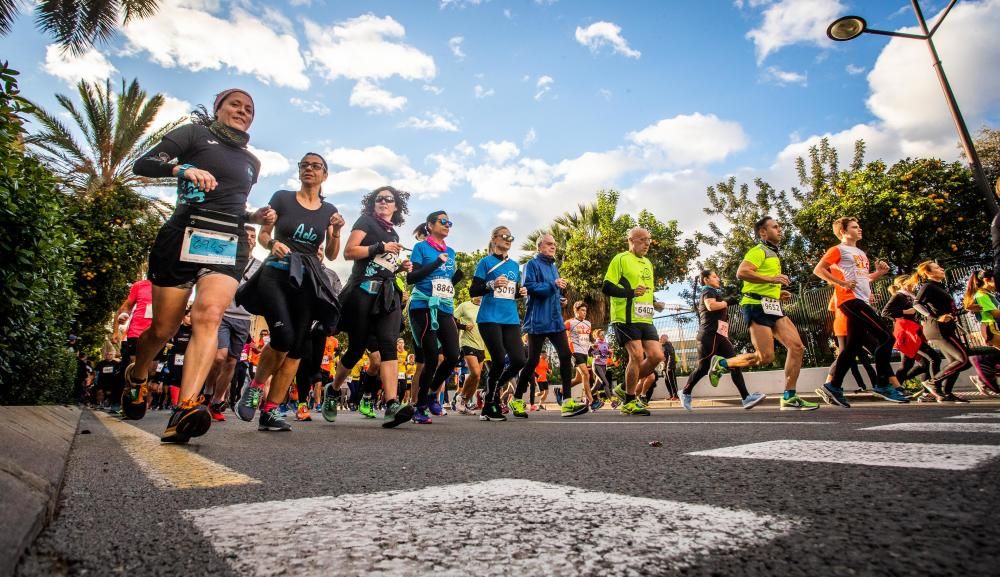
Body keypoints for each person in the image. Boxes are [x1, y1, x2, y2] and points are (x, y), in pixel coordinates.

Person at [130, 88, 275, 443]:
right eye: (235, 104)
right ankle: (137, 375)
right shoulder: (194, 135)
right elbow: (143, 165)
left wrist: (255, 215)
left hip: (226, 241)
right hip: (183, 233)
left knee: (209, 314)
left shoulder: (251, 162)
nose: (243, 111)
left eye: (249, 108)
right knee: (162, 329)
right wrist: (185, 168)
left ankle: (186, 408)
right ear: (218, 109)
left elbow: (234, 204)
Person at [234, 153, 343, 431]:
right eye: (304, 165)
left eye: (315, 166)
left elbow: (330, 254)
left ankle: (270, 411)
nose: (309, 169)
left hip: (307, 281)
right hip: (276, 273)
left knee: (296, 349)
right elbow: (263, 235)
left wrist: (337, 232)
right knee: (282, 337)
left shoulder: (328, 209)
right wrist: (272, 245)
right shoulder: (282, 198)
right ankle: (256, 387)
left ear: (325, 175)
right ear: (299, 171)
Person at [322, 186, 415, 427]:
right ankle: (332, 392)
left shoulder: (393, 233)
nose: (383, 202)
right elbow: (349, 252)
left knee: (388, 344)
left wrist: (400, 267)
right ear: (373, 204)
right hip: (362, 293)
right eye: (379, 199)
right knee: (355, 350)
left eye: (389, 199)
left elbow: (384, 265)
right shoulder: (366, 221)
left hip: (386, 295)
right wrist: (380, 248)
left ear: (396, 206)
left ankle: (393, 404)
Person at [709, 216, 818, 411]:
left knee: (798, 347)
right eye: (775, 227)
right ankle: (723, 363)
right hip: (755, 306)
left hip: (773, 306)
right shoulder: (758, 251)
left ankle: (789, 397)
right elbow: (742, 273)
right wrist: (773, 279)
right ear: (763, 232)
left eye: (780, 227)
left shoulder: (773, 254)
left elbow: (764, 281)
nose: (780, 230)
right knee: (765, 357)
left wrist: (777, 291)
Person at [812, 217, 904, 408]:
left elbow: (863, 278)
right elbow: (818, 270)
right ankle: (882, 384)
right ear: (843, 232)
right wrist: (842, 284)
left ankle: (833, 386)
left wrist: (878, 273)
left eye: (859, 226)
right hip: (850, 299)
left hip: (860, 299)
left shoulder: (860, 252)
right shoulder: (838, 249)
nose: (859, 229)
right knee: (886, 338)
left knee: (852, 347)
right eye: (854, 227)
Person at [510, 235, 589, 418]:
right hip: (537, 321)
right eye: (549, 244)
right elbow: (530, 287)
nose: (553, 246)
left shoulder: (553, 267)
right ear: (540, 247)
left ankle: (567, 402)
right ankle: (516, 399)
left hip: (555, 321)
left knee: (565, 355)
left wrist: (558, 299)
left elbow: (550, 291)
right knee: (532, 362)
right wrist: (553, 286)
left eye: (554, 244)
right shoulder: (531, 265)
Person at [601, 227, 666, 415]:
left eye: (649, 240)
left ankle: (623, 387)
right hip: (625, 317)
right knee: (637, 356)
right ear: (631, 240)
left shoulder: (648, 263)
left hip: (645, 318)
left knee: (657, 356)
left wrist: (655, 302)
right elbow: (606, 287)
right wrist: (630, 293)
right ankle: (629, 402)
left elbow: (646, 290)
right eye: (643, 239)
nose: (647, 244)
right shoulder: (620, 259)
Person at [201, 224, 262, 421]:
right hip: (223, 314)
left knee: (231, 362)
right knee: (219, 357)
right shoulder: (225, 259)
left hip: (244, 318)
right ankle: (207, 391)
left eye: (253, 236)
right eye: (247, 235)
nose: (251, 239)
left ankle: (217, 401)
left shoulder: (259, 266)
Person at [406, 211, 462, 425]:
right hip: (423, 306)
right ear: (430, 225)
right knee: (430, 357)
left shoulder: (451, 251)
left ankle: (431, 394)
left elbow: (443, 284)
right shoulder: (421, 248)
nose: (447, 225)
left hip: (444, 307)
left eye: (450, 222)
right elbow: (412, 277)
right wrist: (437, 262)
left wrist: (454, 280)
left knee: (453, 355)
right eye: (443, 222)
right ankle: (420, 407)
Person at [681, 270, 766, 411]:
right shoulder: (708, 290)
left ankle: (746, 398)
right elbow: (711, 306)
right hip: (708, 335)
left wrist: (729, 300)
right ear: (706, 279)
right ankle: (685, 392)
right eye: (714, 276)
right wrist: (727, 302)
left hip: (720, 335)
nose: (718, 279)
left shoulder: (714, 292)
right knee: (703, 369)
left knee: (734, 364)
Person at [470, 226, 528, 421]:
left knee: (519, 360)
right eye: (504, 236)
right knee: (498, 360)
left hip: (510, 318)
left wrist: (521, 293)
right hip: (489, 317)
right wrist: (491, 284)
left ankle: (490, 392)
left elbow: (513, 292)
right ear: (494, 239)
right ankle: (489, 406)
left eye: (511, 236)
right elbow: (473, 290)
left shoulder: (514, 265)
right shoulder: (485, 262)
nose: (508, 239)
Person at [914, 261, 971, 402]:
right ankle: (933, 383)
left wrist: (968, 309)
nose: (941, 269)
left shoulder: (940, 287)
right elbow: (916, 304)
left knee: (956, 361)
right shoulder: (928, 286)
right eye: (937, 268)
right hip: (937, 329)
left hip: (946, 328)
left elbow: (948, 310)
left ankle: (946, 392)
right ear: (928, 273)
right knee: (962, 359)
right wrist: (935, 317)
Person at [882, 274, 939, 394]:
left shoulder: (913, 296)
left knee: (910, 365)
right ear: (903, 284)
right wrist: (905, 311)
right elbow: (885, 312)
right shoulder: (899, 295)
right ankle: (930, 389)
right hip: (908, 332)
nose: (914, 284)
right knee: (931, 359)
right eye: (911, 282)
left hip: (916, 330)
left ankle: (919, 391)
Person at [963, 270, 1000, 396]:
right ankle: (982, 363)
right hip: (992, 327)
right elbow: (995, 314)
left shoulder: (987, 294)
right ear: (987, 280)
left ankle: (981, 378)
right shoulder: (981, 295)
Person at [454, 296, 485, 415]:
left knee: (476, 378)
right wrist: (463, 327)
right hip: (467, 343)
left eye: (481, 294)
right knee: (475, 373)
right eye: (477, 294)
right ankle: (460, 397)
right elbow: (451, 319)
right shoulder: (464, 306)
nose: (479, 296)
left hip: (481, 345)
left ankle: (464, 403)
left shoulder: (485, 307)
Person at [112, 275, 153, 364]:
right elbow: (123, 309)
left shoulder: (172, 288)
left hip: (157, 334)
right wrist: (115, 331)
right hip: (137, 333)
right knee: (136, 367)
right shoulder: (140, 285)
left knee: (152, 370)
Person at [590, 329, 614, 403]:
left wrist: (610, 353)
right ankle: (612, 402)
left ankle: (587, 400)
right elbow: (589, 353)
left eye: (604, 334)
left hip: (604, 365)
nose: (603, 336)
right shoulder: (595, 343)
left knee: (597, 386)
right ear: (597, 336)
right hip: (597, 365)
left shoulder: (606, 344)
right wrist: (594, 355)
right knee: (605, 383)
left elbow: (609, 356)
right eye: (602, 334)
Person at [659, 334, 678, 400]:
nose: (665, 339)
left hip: (670, 366)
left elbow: (671, 355)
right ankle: (671, 395)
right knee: (667, 381)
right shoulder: (661, 346)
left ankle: (675, 395)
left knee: (672, 381)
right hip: (664, 366)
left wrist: (669, 366)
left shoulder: (668, 345)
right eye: (663, 338)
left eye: (666, 338)